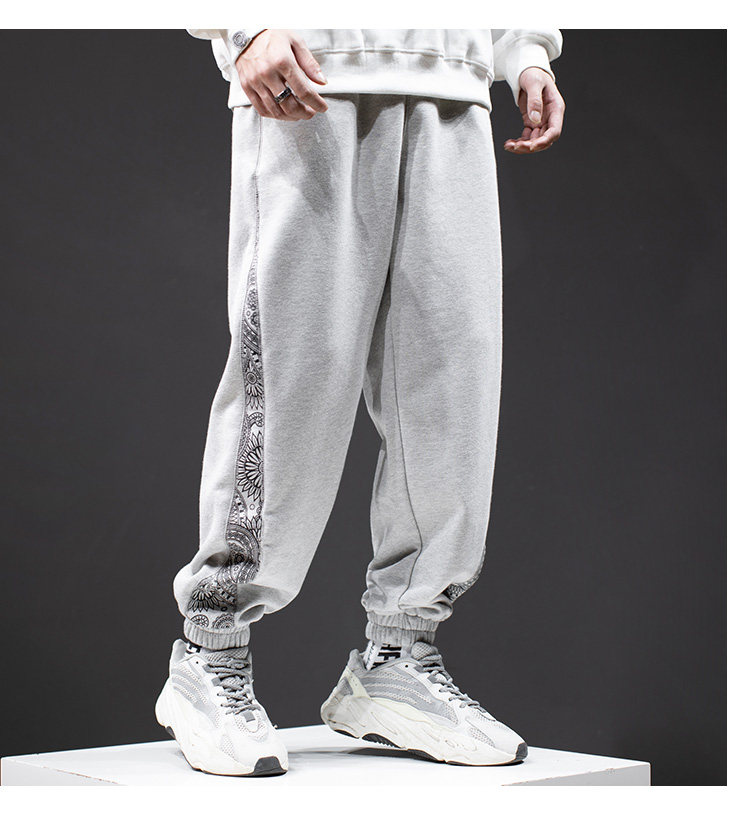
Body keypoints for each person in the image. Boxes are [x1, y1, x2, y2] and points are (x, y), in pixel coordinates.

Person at [155, 28, 564, 777]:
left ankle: (397, 659)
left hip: (455, 84)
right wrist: (245, 27)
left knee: (452, 388)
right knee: (292, 376)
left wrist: (522, 49)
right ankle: (210, 653)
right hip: (312, 75)